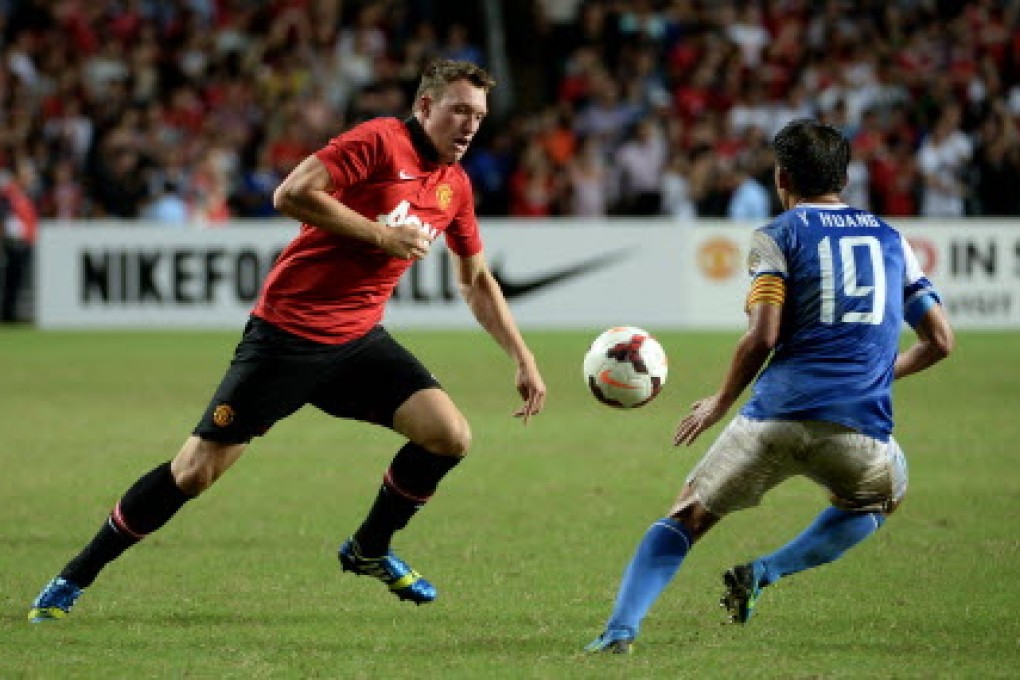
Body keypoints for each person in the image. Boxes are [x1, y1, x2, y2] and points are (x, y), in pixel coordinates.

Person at [28, 59, 547, 622]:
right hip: (285, 338)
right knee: (193, 472)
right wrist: (380, 234)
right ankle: (72, 578)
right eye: (459, 111)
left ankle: (369, 548)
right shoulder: (378, 141)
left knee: (449, 436)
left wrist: (522, 357)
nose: (470, 125)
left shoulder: (455, 186)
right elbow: (291, 193)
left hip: (358, 343)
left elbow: (474, 279)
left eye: (479, 115)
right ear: (425, 108)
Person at [585, 118, 954, 654]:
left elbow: (761, 337)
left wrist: (717, 402)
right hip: (861, 432)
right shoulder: (891, 238)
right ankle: (767, 570)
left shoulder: (778, 236)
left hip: (775, 417)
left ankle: (619, 632)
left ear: (781, 178)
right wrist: (874, 375)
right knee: (878, 500)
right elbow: (940, 340)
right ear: (844, 180)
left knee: (686, 517)